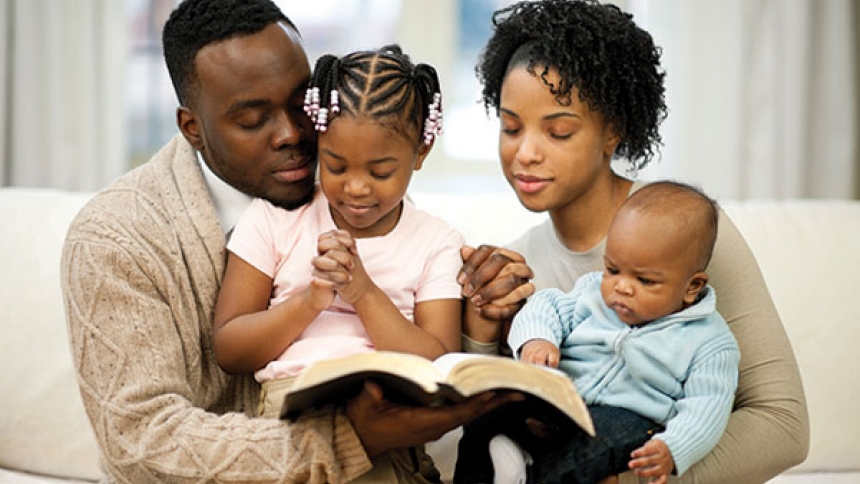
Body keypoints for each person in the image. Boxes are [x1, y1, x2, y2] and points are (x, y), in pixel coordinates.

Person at [59, 1, 520, 482]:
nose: (293, 133)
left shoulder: (380, 203)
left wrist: (484, 327)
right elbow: (141, 443)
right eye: (253, 119)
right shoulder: (116, 238)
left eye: (303, 104)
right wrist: (346, 440)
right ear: (192, 128)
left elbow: (438, 365)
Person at [457, 0, 810, 483]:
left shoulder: (687, 231)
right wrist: (480, 329)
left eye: (559, 131)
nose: (526, 153)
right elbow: (484, 437)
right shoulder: (517, 264)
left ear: (613, 133)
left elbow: (782, 424)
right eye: (510, 127)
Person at [213, 44, 465, 483]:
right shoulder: (274, 219)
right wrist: (310, 301)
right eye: (335, 165)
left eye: (381, 172)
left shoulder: (437, 241)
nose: (356, 188)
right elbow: (230, 348)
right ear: (318, 141)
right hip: (289, 420)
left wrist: (363, 293)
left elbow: (439, 364)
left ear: (420, 152)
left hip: (386, 420)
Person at [456, 181, 740, 484]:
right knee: (491, 417)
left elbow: (707, 406)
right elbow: (545, 306)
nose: (622, 287)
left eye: (644, 280)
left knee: (593, 448)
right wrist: (537, 339)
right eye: (613, 270)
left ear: (692, 286)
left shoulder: (710, 341)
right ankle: (500, 467)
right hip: (564, 399)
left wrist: (673, 448)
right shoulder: (591, 293)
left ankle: (530, 476)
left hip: (630, 416)